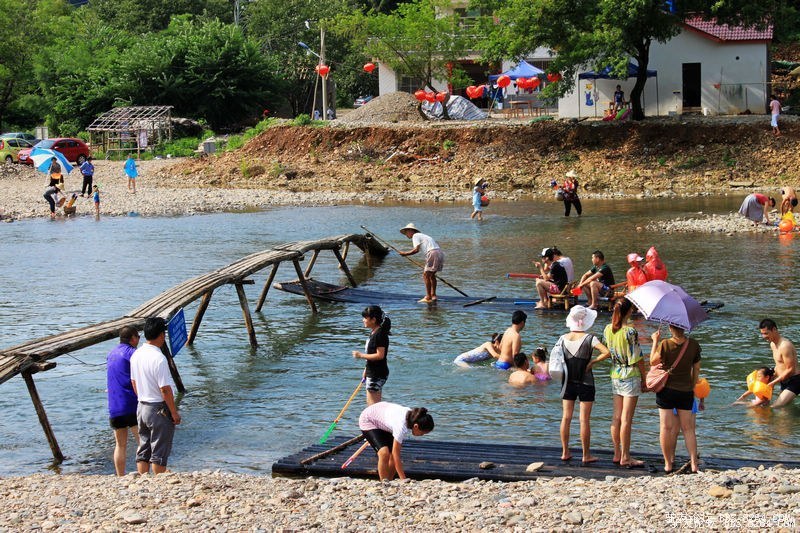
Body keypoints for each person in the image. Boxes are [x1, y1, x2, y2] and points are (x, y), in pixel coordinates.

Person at [556, 305, 610, 463]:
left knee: (566, 417)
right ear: (585, 321)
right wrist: (593, 361)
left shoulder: (563, 338)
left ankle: (565, 452)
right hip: (586, 382)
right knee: (584, 420)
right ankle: (586, 455)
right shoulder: (590, 338)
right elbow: (607, 352)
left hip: (567, 382)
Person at [130, 317, 181, 475]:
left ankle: (143, 479)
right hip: (157, 407)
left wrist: (141, 398)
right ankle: (158, 481)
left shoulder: (136, 354)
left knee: (144, 447)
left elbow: (133, 382)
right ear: (161, 335)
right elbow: (165, 389)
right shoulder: (159, 358)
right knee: (159, 450)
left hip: (142, 406)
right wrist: (173, 413)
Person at [650, 324, 701, 474]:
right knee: (688, 429)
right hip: (685, 391)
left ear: (671, 328)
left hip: (666, 390)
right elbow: (696, 368)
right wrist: (691, 386)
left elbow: (653, 361)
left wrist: (655, 341)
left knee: (666, 427)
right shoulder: (693, 344)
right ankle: (694, 464)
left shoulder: (665, 344)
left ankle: (668, 464)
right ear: (684, 328)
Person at [603, 299, 646, 467]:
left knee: (616, 417)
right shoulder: (630, 331)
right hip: (630, 374)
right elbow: (638, 358)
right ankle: (626, 457)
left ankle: (617, 453)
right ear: (628, 312)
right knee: (626, 419)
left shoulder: (607, 329)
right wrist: (644, 378)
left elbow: (607, 350)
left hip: (615, 374)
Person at [358, 401, 434, 480]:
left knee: (392, 454)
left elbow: (394, 455)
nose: (421, 435)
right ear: (416, 426)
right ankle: (384, 483)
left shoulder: (413, 417)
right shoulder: (401, 426)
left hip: (383, 420)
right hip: (368, 420)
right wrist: (403, 479)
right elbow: (396, 455)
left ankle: (389, 480)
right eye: (422, 433)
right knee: (384, 453)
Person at [106, 326, 141, 476]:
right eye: (138, 337)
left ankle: (120, 476)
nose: (139, 340)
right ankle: (145, 472)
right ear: (133, 338)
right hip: (131, 403)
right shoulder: (133, 353)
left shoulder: (111, 354)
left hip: (114, 405)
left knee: (120, 445)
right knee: (143, 441)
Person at [352, 305, 391, 405]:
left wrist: (360, 355)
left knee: (373, 407)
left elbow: (380, 355)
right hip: (372, 372)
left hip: (377, 374)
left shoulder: (379, 334)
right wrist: (366, 370)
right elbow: (371, 353)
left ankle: (376, 421)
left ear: (373, 320)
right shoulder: (374, 332)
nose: (363, 320)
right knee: (371, 405)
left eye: (365, 318)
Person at [398, 223, 445, 303]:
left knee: (426, 275)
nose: (406, 235)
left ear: (411, 231)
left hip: (432, 253)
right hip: (439, 253)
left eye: (406, 232)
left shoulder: (415, 236)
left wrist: (405, 253)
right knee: (431, 275)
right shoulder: (423, 236)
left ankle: (428, 297)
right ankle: (433, 295)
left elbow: (416, 250)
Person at [759, 318, 800, 407]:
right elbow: (779, 365)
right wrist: (771, 378)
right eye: (762, 333)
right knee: (781, 409)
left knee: (774, 407)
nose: (764, 336)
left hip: (795, 381)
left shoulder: (785, 346)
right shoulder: (772, 344)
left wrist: (772, 383)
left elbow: (790, 369)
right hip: (783, 381)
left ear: (774, 330)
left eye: (766, 333)